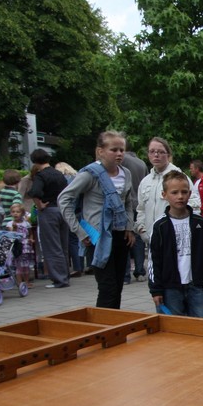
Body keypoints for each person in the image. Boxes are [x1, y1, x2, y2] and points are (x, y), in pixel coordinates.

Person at [59, 131, 136, 309]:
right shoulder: (90, 174)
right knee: (107, 287)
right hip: (98, 237)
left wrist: (129, 227)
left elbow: (128, 202)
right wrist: (79, 231)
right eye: (114, 150)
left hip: (121, 236)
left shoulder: (126, 173)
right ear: (100, 151)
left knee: (118, 286)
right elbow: (64, 199)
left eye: (122, 150)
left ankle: (114, 321)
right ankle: (103, 323)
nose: (119, 154)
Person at [149, 171, 203, 318]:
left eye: (184, 192)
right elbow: (154, 260)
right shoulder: (160, 226)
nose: (180, 196)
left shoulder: (199, 222)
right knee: (174, 325)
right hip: (170, 287)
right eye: (174, 192)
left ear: (190, 193)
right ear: (164, 195)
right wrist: (156, 290)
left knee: (202, 324)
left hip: (195, 285)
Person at [135, 138, 200, 246]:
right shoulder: (145, 181)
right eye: (152, 151)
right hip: (152, 240)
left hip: (176, 240)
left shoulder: (180, 177)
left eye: (161, 152)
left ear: (168, 155)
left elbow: (194, 206)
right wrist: (142, 229)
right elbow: (141, 209)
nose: (156, 155)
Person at [29, 149, 71, 289]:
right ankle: (65, 275)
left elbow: (35, 192)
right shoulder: (59, 174)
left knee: (52, 246)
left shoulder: (40, 175)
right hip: (62, 210)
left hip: (49, 211)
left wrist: (39, 205)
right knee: (63, 245)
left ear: (34, 161)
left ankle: (59, 279)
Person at [121, 150, 148, 284]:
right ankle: (140, 271)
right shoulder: (142, 163)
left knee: (125, 239)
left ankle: (125, 275)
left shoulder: (122, 160)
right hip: (139, 203)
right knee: (138, 239)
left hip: (127, 204)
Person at [8, 202, 34, 288]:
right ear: (11, 213)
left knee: (26, 265)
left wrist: (31, 239)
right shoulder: (10, 224)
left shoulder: (26, 224)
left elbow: (30, 233)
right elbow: (12, 234)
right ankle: (19, 282)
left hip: (26, 246)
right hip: (17, 247)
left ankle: (26, 281)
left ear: (22, 213)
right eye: (13, 212)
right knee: (18, 265)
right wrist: (15, 228)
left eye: (18, 212)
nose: (15, 213)